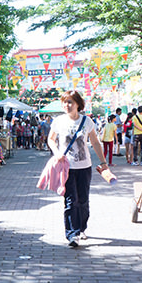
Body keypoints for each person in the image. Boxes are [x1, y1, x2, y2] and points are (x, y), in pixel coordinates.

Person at [47, 90, 107, 248]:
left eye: (70, 102)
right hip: (66, 167)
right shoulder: (59, 121)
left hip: (84, 167)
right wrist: (57, 152)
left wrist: (103, 161)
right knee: (70, 201)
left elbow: (95, 142)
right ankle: (72, 234)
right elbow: (51, 139)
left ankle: (81, 227)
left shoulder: (87, 121)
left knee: (83, 200)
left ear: (78, 104)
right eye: (65, 102)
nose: (66, 105)